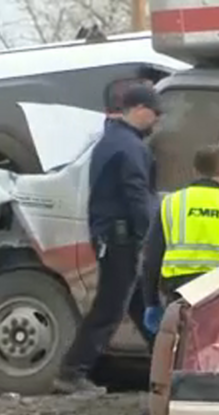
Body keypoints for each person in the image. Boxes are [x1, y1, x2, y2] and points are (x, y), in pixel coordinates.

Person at [53, 84, 163, 396]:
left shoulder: (113, 140)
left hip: (114, 237)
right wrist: (152, 238)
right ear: (140, 110)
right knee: (110, 309)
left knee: (142, 304)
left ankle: (170, 366)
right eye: (155, 114)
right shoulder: (130, 148)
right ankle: (72, 372)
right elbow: (137, 199)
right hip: (122, 240)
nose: (157, 122)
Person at [141, 145, 219, 333]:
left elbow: (151, 257)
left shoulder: (171, 204)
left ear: (195, 171)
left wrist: (151, 302)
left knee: (181, 349)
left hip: (180, 293)